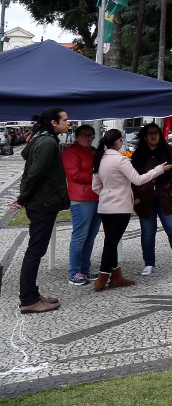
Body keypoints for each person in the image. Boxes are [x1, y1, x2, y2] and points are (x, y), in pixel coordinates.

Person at [91, 127, 172, 290]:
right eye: (121, 140)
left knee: (111, 241)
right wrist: (158, 170)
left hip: (105, 206)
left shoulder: (100, 158)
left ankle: (116, 276)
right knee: (111, 243)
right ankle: (102, 277)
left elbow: (96, 186)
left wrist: (108, 193)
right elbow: (138, 179)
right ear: (118, 142)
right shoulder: (121, 160)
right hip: (119, 207)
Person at [15, 107, 70, 313]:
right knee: (35, 251)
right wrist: (23, 197)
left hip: (42, 202)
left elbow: (32, 171)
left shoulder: (43, 139)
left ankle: (32, 293)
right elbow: (36, 173)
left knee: (36, 250)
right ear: (54, 123)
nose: (68, 123)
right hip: (43, 204)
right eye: (65, 120)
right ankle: (28, 299)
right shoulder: (47, 142)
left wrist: (24, 196)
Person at [130, 122, 172, 275]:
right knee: (147, 232)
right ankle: (149, 262)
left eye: (156, 132)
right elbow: (132, 178)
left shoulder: (169, 151)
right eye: (149, 133)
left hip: (167, 198)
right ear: (144, 137)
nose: (153, 135)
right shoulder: (138, 154)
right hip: (145, 199)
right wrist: (136, 197)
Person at [63, 124, 101, 286]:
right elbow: (75, 174)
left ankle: (84, 269)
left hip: (97, 197)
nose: (88, 138)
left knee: (91, 236)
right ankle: (74, 271)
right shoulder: (70, 152)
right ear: (77, 136)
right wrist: (97, 175)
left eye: (91, 135)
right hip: (81, 199)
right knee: (80, 236)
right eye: (85, 135)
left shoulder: (93, 151)